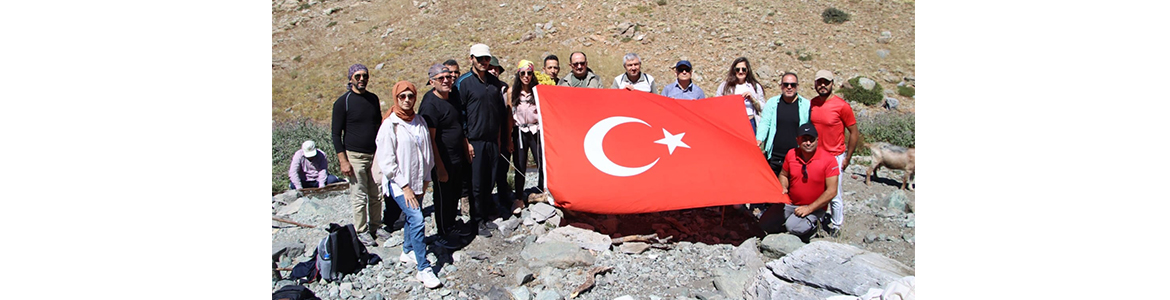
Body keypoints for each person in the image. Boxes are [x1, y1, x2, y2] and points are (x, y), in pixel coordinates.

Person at [375, 81, 441, 289]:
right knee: (418, 219)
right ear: (395, 98)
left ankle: (407, 250)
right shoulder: (390, 125)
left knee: (413, 216)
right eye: (402, 96)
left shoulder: (419, 121)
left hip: (418, 179)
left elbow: (426, 150)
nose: (406, 100)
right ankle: (424, 268)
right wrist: (405, 187)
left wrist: (427, 175)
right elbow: (387, 161)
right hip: (399, 183)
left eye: (410, 96)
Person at [455, 43, 512, 237]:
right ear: (471, 59)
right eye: (480, 59)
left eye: (486, 59)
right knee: (476, 183)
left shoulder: (495, 84)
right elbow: (459, 114)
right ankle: (476, 221)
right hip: (474, 141)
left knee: (489, 180)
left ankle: (486, 216)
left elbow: (501, 114)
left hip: (491, 140)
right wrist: (466, 141)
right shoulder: (464, 83)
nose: (483, 62)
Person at [417, 63, 473, 245]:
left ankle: (451, 224)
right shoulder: (430, 104)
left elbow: (458, 125)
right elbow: (430, 140)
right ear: (432, 82)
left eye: (448, 77)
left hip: (457, 156)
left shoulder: (453, 96)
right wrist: (439, 167)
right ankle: (442, 232)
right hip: (442, 158)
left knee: (455, 192)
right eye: (441, 78)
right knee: (443, 196)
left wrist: (466, 146)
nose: (446, 81)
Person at [758, 123, 838, 243]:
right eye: (804, 139)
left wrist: (809, 208)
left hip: (814, 207)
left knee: (793, 227)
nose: (808, 143)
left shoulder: (829, 160)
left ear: (817, 140)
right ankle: (790, 226)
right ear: (798, 140)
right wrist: (783, 186)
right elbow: (783, 175)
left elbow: (832, 191)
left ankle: (814, 226)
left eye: (811, 140)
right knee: (764, 223)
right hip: (791, 203)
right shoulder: (791, 154)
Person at [331, 63, 383, 246]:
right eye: (358, 76)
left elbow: (378, 126)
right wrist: (343, 160)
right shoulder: (343, 102)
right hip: (355, 156)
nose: (362, 79)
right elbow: (336, 134)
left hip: (374, 154)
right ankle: (361, 230)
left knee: (377, 193)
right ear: (351, 78)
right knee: (359, 195)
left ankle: (377, 225)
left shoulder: (373, 99)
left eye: (365, 76)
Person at [808, 69, 859, 237]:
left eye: (826, 82)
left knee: (834, 193)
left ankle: (837, 225)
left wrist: (848, 157)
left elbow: (854, 132)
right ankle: (818, 220)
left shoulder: (842, 106)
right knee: (816, 189)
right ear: (815, 84)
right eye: (819, 82)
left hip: (834, 155)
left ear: (832, 84)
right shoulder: (813, 103)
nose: (822, 85)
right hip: (816, 155)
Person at [508, 60, 545, 215]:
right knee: (520, 165)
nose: (526, 76)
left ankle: (542, 191)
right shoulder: (512, 92)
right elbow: (509, 115)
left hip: (535, 130)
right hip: (519, 131)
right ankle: (518, 198)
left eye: (529, 73)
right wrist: (509, 136)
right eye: (523, 73)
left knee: (540, 161)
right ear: (518, 74)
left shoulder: (537, 91)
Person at [757, 72, 810, 176]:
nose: (789, 87)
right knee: (773, 189)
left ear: (797, 86)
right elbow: (765, 122)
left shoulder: (806, 105)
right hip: (775, 155)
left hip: (796, 156)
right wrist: (759, 139)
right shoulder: (772, 103)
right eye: (786, 84)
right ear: (781, 86)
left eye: (792, 85)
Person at [715, 57, 766, 132]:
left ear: (748, 70)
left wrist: (752, 99)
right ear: (734, 70)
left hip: (750, 122)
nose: (741, 72)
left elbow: (763, 108)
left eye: (743, 69)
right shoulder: (725, 86)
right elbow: (717, 103)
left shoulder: (755, 86)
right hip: (731, 123)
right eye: (737, 69)